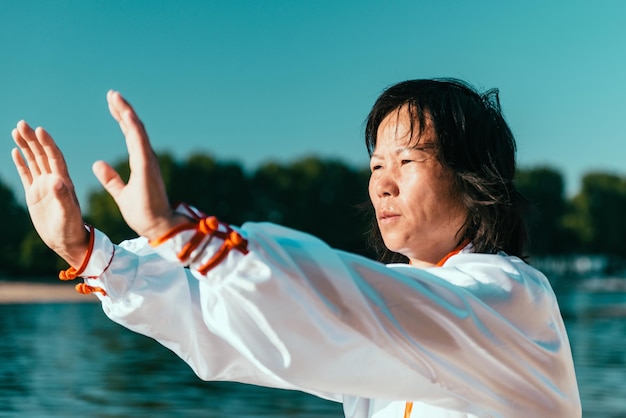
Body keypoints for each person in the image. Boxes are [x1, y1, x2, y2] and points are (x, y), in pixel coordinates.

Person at [11, 79, 581, 417]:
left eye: (408, 161)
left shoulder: (509, 299)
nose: (382, 182)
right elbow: (245, 329)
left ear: (475, 179)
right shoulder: (386, 323)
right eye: (377, 164)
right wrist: (91, 254)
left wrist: (183, 233)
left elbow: (354, 302)